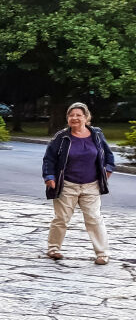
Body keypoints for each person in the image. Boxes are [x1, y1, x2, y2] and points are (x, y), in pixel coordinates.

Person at [42, 102, 115, 264]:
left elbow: (108, 157)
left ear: (86, 117)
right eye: (71, 115)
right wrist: (49, 177)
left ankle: (102, 253)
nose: (74, 118)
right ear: (67, 118)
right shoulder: (61, 137)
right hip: (67, 184)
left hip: (92, 185)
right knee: (61, 218)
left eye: (78, 115)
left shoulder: (96, 134)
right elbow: (49, 159)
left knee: (94, 218)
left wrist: (107, 171)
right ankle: (53, 249)